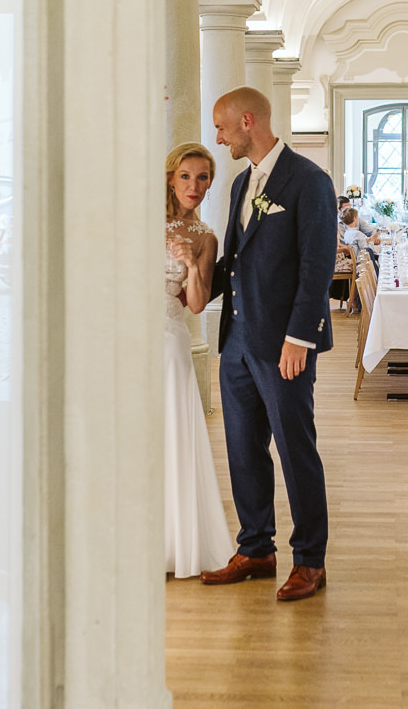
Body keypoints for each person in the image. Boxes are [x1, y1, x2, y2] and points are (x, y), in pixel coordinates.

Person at [201, 86, 334, 602]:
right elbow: (236, 261)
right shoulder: (239, 184)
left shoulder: (309, 181)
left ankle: (310, 559)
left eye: (223, 127)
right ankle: (256, 546)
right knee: (242, 449)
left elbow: (316, 265)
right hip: (236, 342)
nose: (218, 138)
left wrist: (300, 337)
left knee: (295, 448)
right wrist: (184, 279)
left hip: (284, 345)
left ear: (248, 121)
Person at [163, 143, 237, 578]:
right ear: (171, 178)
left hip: (168, 341)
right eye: (187, 176)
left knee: (172, 437)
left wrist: (191, 265)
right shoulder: (137, 219)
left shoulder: (205, 237)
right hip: (125, 340)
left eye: (204, 177)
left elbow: (195, 305)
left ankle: (174, 544)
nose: (195, 186)